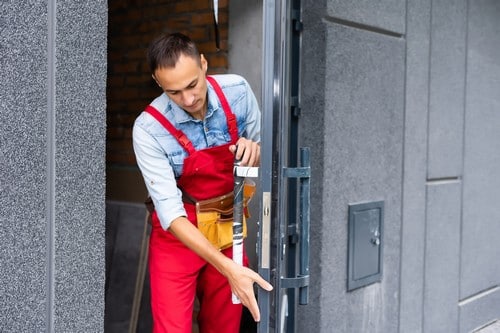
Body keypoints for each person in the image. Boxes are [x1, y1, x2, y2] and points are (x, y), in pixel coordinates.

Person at [132, 32, 272, 333]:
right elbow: (170, 212)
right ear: (159, 84)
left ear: (204, 64)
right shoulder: (148, 129)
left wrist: (256, 155)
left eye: (193, 84)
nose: (189, 99)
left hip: (226, 221)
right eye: (174, 92)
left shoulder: (238, 92)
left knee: (224, 326)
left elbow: (263, 163)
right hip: (179, 233)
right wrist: (230, 269)